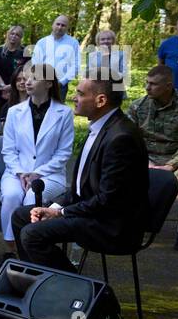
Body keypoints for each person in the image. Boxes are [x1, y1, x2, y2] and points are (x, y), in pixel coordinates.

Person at [12, 75, 149, 272]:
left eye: (80, 93)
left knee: (32, 234)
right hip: (92, 212)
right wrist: (57, 206)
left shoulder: (121, 138)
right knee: (20, 216)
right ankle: (35, 279)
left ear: (101, 101)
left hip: (112, 226)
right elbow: (80, 186)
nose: (73, 98)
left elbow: (108, 200)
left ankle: (71, 291)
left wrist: (60, 213)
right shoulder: (101, 127)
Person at [129, 65, 178, 257]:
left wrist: (171, 165)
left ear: (168, 86)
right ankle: (126, 222)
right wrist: (143, 161)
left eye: (153, 84)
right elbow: (126, 139)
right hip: (146, 157)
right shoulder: (138, 105)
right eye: (146, 82)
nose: (147, 88)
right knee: (119, 168)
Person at [0, 62, 73, 258]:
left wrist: (37, 173)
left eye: (34, 78)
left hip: (50, 174)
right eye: (26, 77)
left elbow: (63, 153)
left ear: (48, 83)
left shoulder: (64, 113)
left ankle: (30, 247)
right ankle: (11, 247)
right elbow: (8, 150)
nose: (27, 82)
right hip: (16, 172)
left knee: (32, 197)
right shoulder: (14, 111)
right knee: (12, 195)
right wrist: (22, 172)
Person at [30, 15, 80, 99]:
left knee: (57, 110)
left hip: (61, 86)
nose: (60, 27)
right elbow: (35, 62)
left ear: (67, 28)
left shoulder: (73, 43)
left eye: (63, 25)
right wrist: (42, 80)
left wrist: (62, 82)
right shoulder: (42, 42)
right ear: (53, 25)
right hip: (42, 83)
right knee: (39, 108)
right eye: (58, 24)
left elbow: (75, 65)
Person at [0, 24, 28, 120]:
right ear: (8, 35)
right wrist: (3, 87)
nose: (14, 36)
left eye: (17, 35)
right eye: (12, 33)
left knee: (17, 115)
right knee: (0, 115)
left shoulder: (25, 53)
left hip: (18, 88)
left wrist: (11, 87)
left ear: (21, 38)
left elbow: (27, 72)